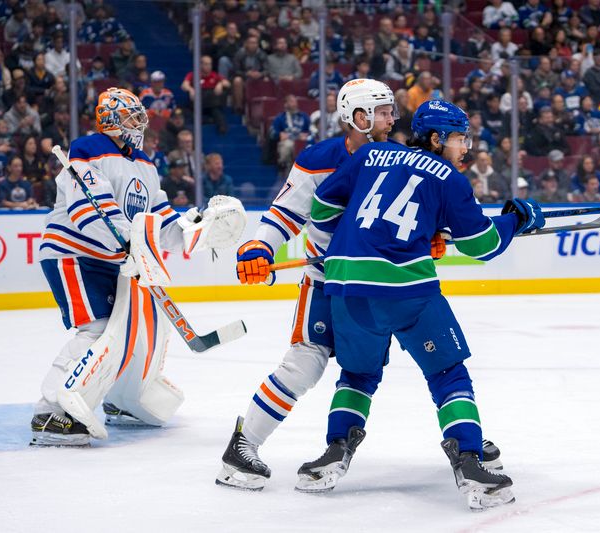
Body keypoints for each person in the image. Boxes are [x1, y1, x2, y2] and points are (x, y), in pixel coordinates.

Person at [297, 100, 546, 510]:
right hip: (405, 292)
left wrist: (349, 242)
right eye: (459, 138)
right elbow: (482, 245)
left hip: (345, 285)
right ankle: (469, 460)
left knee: (357, 374)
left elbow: (323, 206)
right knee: (448, 374)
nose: (465, 147)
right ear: (435, 138)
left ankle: (332, 453)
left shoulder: (371, 153)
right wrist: (516, 219)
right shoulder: (448, 177)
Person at [214, 79, 400, 491]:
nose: (392, 118)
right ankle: (242, 447)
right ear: (359, 118)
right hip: (324, 282)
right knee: (303, 364)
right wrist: (259, 247)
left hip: (373, 288)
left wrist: (433, 235)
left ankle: (338, 449)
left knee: (361, 370)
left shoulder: (401, 159)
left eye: (391, 110)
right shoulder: (318, 159)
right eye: (384, 111)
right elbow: (285, 214)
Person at [31, 87, 242, 446]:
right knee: (98, 330)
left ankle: (125, 399)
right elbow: (89, 212)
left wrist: (195, 229)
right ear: (110, 120)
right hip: (74, 254)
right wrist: (130, 240)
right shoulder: (88, 149)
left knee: (134, 330)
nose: (139, 122)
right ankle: (50, 413)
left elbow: (158, 219)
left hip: (114, 259)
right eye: (131, 116)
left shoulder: (145, 164)